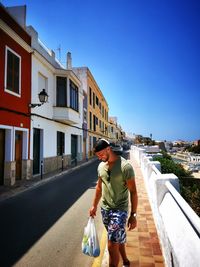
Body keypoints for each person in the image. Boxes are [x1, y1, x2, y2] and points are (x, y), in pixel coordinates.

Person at [89, 139, 138, 267]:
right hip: (105, 209)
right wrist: (94, 205)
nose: (99, 158)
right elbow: (99, 187)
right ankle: (126, 261)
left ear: (108, 149)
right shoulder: (101, 167)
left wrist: (133, 215)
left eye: (101, 155)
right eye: (97, 156)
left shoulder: (125, 167)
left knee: (111, 245)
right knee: (117, 239)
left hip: (119, 210)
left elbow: (133, 192)